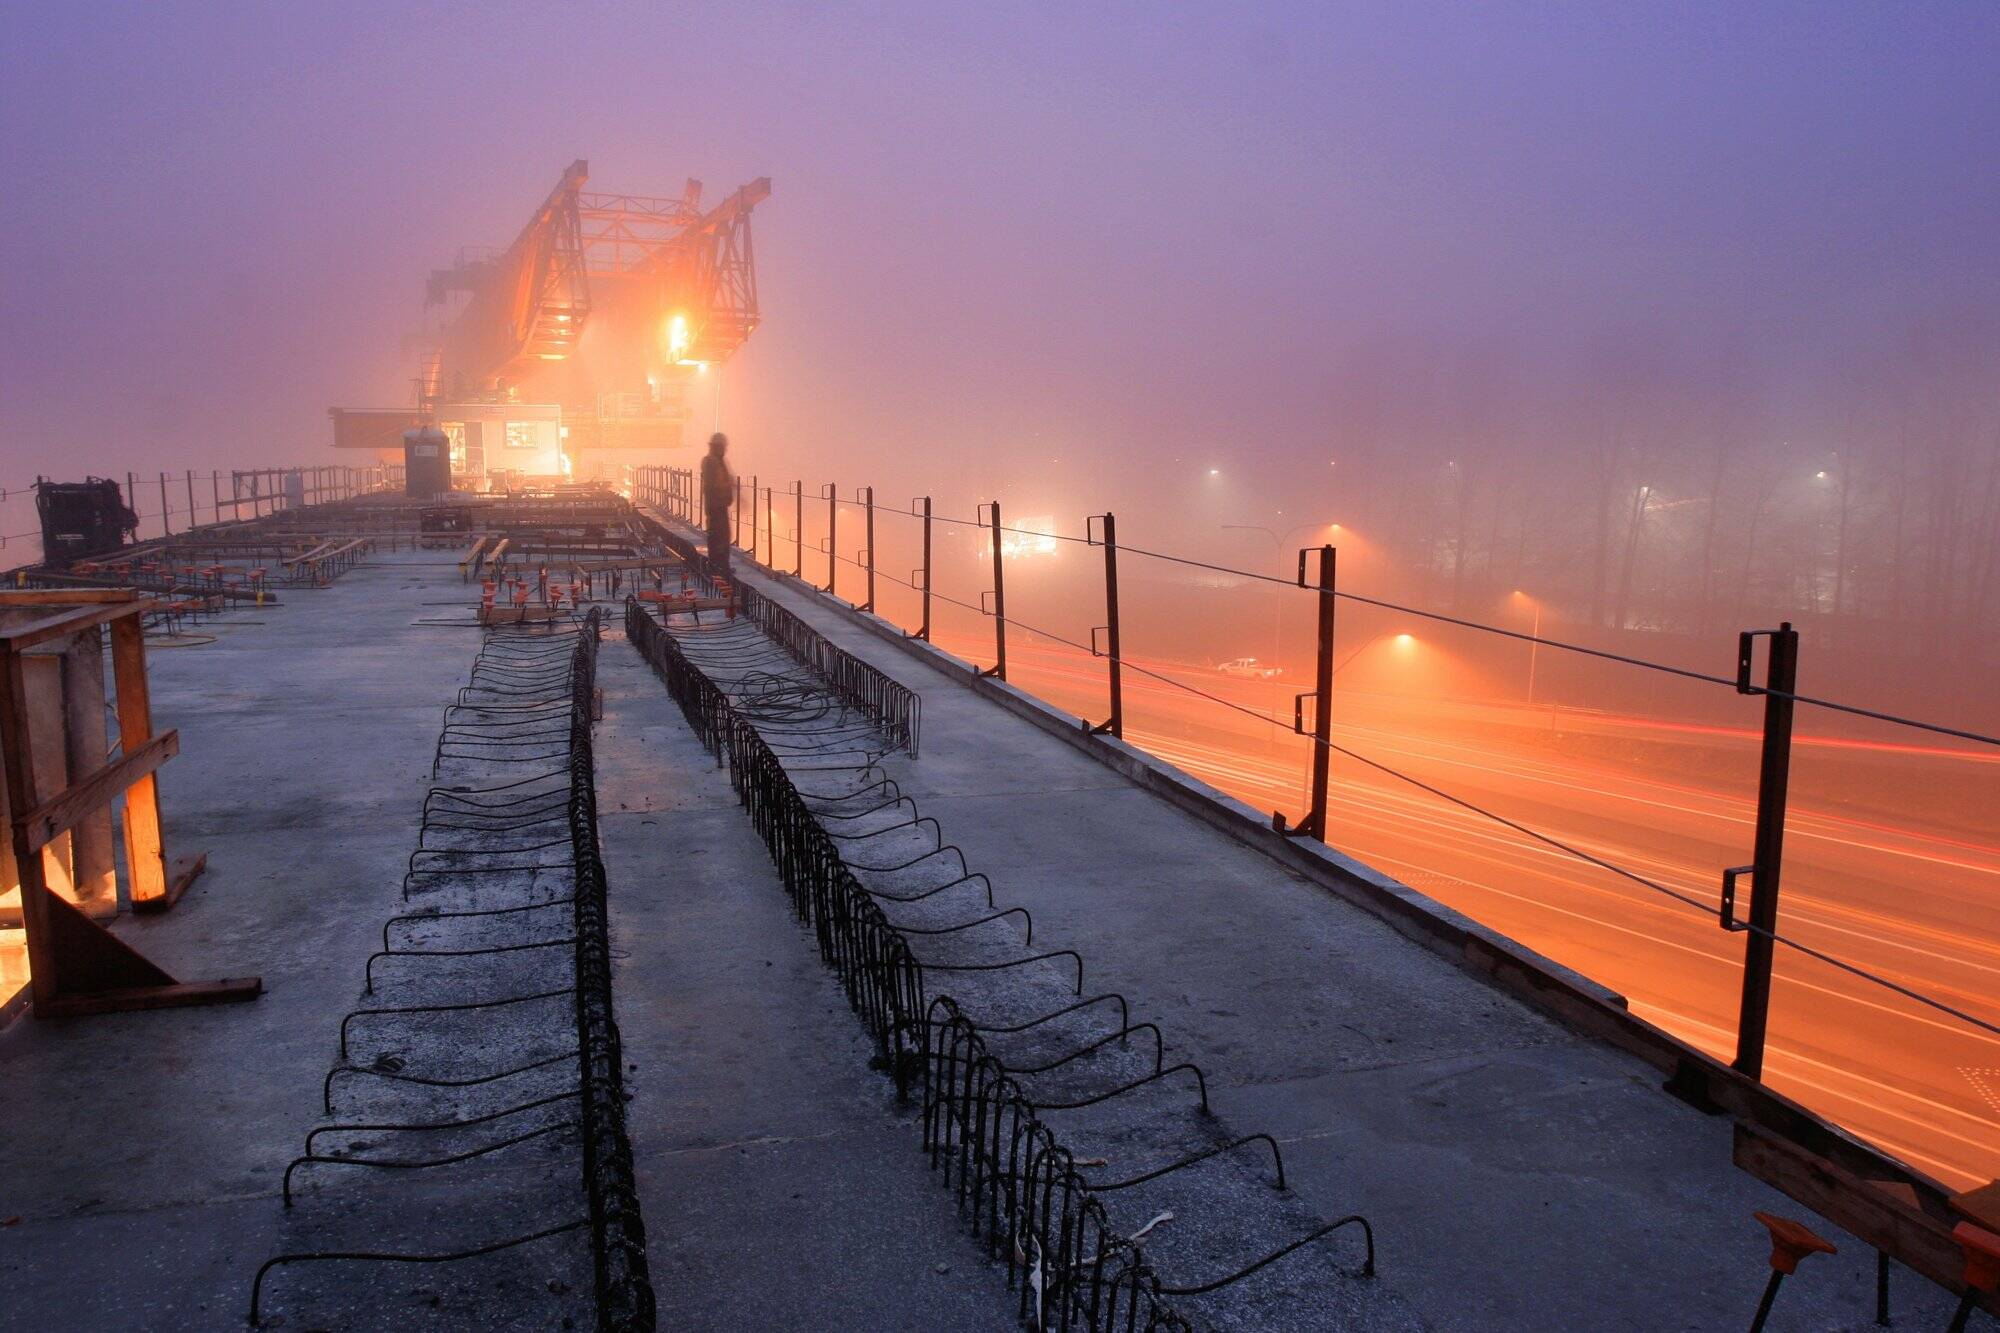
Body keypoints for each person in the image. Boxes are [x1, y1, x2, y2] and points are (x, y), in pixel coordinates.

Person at [699, 431, 735, 579]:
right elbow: (715, 484)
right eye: (723, 447)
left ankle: (721, 566)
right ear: (717, 447)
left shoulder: (716, 461)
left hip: (718, 504)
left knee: (722, 536)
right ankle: (718, 567)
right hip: (716, 505)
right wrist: (728, 485)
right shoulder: (711, 462)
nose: (725, 449)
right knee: (718, 536)